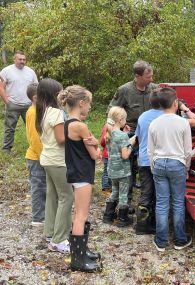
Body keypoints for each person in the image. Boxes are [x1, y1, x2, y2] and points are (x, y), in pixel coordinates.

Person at [108, 61, 195, 211]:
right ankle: (126, 202)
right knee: (128, 168)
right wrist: (115, 132)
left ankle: (149, 203)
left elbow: (174, 99)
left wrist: (187, 110)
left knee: (147, 172)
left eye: (151, 76)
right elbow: (112, 111)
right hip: (133, 133)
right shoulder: (124, 90)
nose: (151, 79)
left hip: (154, 132)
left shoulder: (154, 88)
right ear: (137, 76)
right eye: (148, 76)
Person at [58, 85, 102, 272]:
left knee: (79, 214)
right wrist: (98, 146)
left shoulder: (68, 122)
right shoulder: (81, 126)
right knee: (81, 215)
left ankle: (82, 251)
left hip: (76, 171)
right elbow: (96, 155)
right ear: (82, 103)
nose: (90, 107)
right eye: (89, 104)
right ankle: (78, 259)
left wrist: (95, 143)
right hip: (83, 173)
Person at [148, 87, 192, 252]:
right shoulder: (183, 123)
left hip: (159, 163)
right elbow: (187, 150)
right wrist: (186, 167)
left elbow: (150, 150)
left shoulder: (154, 123)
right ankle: (180, 240)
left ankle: (161, 241)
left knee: (161, 202)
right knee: (178, 202)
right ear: (175, 103)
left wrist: (154, 168)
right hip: (177, 164)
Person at [35, 78, 73, 254]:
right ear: (54, 94)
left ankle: (50, 232)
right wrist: (77, 135)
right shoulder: (57, 113)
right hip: (58, 161)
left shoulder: (41, 111)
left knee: (52, 196)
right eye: (60, 91)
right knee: (67, 197)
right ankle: (59, 239)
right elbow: (61, 139)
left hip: (46, 159)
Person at [135, 89, 163, 235]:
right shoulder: (165, 117)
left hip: (144, 160)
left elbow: (138, 136)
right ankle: (147, 225)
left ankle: (142, 223)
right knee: (158, 194)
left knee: (146, 191)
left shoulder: (142, 116)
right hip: (157, 160)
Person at [102, 106, 136, 227]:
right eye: (125, 119)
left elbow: (117, 145)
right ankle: (123, 219)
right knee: (123, 194)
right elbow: (125, 155)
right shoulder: (122, 136)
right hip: (123, 171)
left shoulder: (109, 134)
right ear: (121, 119)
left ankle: (108, 215)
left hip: (112, 170)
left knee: (114, 191)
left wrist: (126, 136)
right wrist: (131, 144)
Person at [0, 51, 38, 152]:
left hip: (29, 105)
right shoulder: (6, 71)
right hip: (13, 104)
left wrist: (35, 103)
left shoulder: (30, 72)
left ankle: (36, 147)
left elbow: (36, 87)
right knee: (9, 128)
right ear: (14, 59)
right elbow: (1, 87)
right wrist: (7, 102)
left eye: (24, 59)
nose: (22, 61)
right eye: (20, 59)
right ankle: (6, 150)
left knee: (33, 127)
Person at [25, 82, 46, 226]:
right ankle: (38, 218)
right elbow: (34, 138)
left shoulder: (38, 110)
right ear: (35, 97)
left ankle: (43, 215)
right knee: (38, 187)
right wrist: (43, 156)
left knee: (44, 186)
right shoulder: (32, 112)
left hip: (40, 156)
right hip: (36, 158)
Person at [99, 124, 112, 192]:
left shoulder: (106, 126)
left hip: (106, 154)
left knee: (106, 171)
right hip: (113, 155)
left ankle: (106, 187)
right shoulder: (119, 127)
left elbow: (101, 142)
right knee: (109, 171)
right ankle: (107, 187)